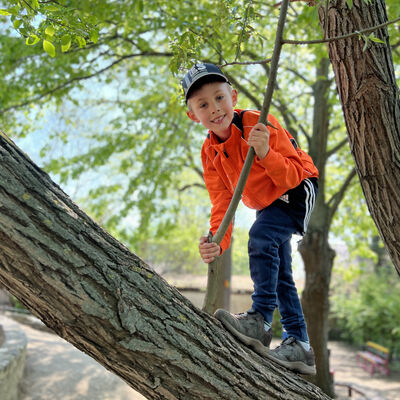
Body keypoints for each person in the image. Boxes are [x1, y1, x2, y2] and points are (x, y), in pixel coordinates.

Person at [181, 62, 319, 375]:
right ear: (193, 115)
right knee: (278, 267)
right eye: (203, 104)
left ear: (233, 95)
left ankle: (259, 318)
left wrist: (266, 152)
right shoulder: (210, 152)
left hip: (298, 187)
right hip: (269, 202)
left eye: (219, 98)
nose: (215, 109)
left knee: (261, 236)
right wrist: (216, 241)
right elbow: (222, 201)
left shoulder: (256, 122)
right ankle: (299, 344)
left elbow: (294, 174)